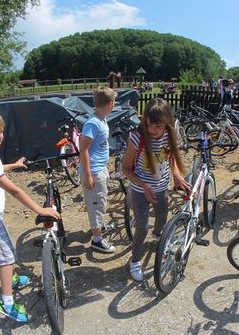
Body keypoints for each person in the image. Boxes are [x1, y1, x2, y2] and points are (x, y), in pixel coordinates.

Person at [0, 109, 60, 322]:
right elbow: (15, 190)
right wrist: (40, 210)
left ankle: (10, 279)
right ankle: (7, 303)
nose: (0, 137)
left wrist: (14, 165)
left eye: (1, 132)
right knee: (6, 259)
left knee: (8, 250)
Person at [121, 98, 190, 282]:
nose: (152, 130)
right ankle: (135, 261)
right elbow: (125, 168)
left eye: (158, 126)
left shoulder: (171, 134)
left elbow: (171, 157)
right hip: (140, 190)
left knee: (161, 220)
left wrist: (176, 175)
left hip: (161, 188)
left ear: (166, 122)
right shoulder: (137, 137)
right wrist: (144, 185)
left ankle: (158, 237)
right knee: (142, 228)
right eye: (148, 125)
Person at [79, 86, 117, 254]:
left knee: (100, 201)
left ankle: (99, 227)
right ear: (110, 104)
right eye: (114, 102)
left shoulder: (102, 120)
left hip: (99, 169)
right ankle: (97, 240)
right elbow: (84, 150)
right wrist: (88, 175)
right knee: (96, 204)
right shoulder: (93, 123)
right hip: (93, 172)